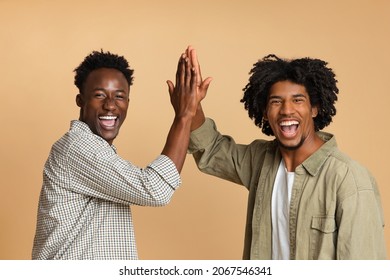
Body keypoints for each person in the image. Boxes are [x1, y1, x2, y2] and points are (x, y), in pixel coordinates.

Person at [187, 48, 386, 259]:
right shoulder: (260, 161)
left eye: (298, 100)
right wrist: (191, 107)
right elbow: (211, 149)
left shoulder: (350, 180)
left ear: (315, 109)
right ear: (265, 112)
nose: (286, 110)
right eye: (276, 101)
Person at [32, 48, 204, 259]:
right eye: (99, 95)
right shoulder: (77, 147)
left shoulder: (99, 151)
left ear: (128, 103)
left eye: (119, 96)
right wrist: (184, 115)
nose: (110, 105)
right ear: (80, 100)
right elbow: (155, 189)